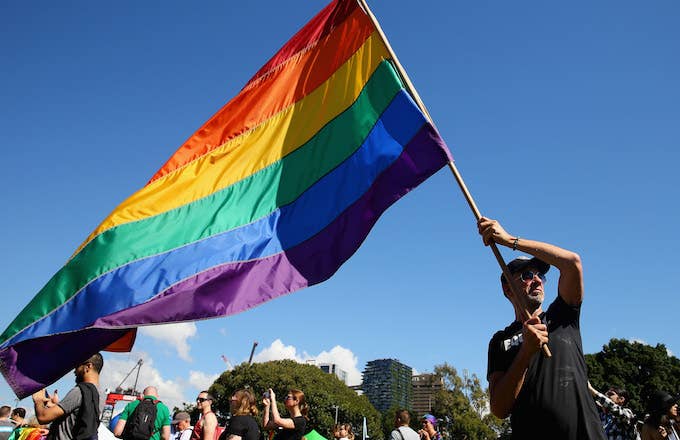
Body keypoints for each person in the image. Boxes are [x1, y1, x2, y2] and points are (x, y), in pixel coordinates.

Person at [480, 217, 606, 440]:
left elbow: (572, 262)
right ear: (508, 290)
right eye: (527, 276)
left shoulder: (562, 315)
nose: (537, 280)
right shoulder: (500, 340)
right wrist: (526, 352)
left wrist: (509, 240)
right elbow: (499, 409)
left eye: (541, 275)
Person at [32, 352, 103, 440]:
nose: (74, 371)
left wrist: (38, 400)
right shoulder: (100, 395)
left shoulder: (80, 391)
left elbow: (43, 417)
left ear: (88, 366)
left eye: (77, 366)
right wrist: (55, 405)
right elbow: (78, 418)